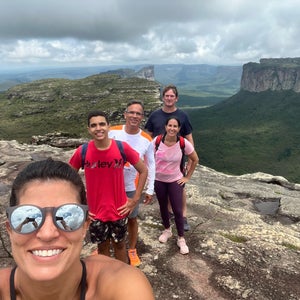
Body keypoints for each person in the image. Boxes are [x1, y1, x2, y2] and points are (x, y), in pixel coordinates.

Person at [0, 158, 154, 300]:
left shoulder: (121, 285)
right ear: (10, 229)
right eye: (28, 218)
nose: (47, 234)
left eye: (67, 216)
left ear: (85, 226)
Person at [69, 111, 148, 263]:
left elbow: (143, 170)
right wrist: (79, 206)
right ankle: (107, 280)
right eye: (93, 125)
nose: (98, 128)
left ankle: (122, 278)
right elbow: (68, 178)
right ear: (88, 129)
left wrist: (135, 199)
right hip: (95, 213)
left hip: (118, 210)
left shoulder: (121, 148)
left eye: (102, 124)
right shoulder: (83, 151)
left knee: (120, 247)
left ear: (108, 126)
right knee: (102, 248)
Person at [109, 100, 155, 267]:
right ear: (125, 114)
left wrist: (150, 188)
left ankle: (132, 249)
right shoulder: (112, 132)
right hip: (110, 185)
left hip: (131, 187)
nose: (135, 116)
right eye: (132, 112)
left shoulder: (146, 139)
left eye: (138, 113)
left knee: (132, 218)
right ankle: (104, 246)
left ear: (142, 117)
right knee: (107, 217)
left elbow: (151, 164)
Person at [145, 84, 194, 231]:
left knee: (180, 185)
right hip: (158, 159)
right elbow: (148, 136)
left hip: (177, 158)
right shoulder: (155, 115)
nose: (169, 98)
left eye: (172, 96)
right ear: (163, 97)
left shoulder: (183, 116)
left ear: (176, 98)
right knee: (163, 185)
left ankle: (183, 216)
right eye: (166, 95)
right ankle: (169, 213)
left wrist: (191, 160)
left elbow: (189, 138)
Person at [153, 117, 199, 254]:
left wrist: (187, 177)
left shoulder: (183, 143)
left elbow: (195, 159)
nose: (172, 128)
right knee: (162, 207)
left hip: (175, 180)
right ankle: (167, 230)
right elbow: (147, 157)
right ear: (165, 126)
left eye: (175, 126)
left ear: (179, 129)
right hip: (159, 180)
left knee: (178, 210)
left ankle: (181, 238)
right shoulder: (156, 141)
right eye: (170, 125)